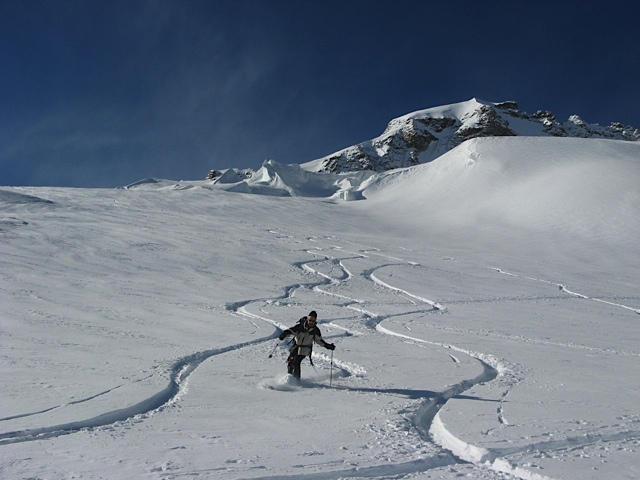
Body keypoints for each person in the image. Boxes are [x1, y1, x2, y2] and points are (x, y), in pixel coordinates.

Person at [278, 310, 335, 379]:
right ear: (307, 319)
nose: (311, 322)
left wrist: (328, 346)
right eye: (310, 320)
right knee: (290, 363)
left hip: (305, 349)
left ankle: (296, 380)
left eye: (313, 321)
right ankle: (289, 378)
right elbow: (291, 331)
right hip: (296, 347)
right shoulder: (300, 327)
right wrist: (284, 334)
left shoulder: (315, 331)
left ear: (315, 321)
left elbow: (319, 341)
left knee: (296, 362)